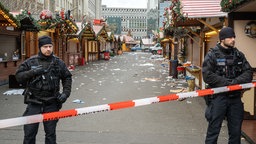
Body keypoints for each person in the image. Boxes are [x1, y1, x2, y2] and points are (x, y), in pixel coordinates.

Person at [15, 35, 72, 144]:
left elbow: (67, 77)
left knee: (50, 135)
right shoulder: (31, 62)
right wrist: (32, 72)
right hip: (34, 103)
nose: (48, 49)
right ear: (40, 47)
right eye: (45, 46)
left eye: (50, 46)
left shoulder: (58, 63)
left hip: (52, 103)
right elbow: (18, 76)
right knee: (29, 134)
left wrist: (65, 93)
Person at [202, 27, 253, 144]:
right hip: (218, 98)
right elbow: (207, 75)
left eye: (234, 37)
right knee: (213, 131)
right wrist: (227, 83)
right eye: (230, 37)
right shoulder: (212, 55)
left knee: (236, 132)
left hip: (235, 98)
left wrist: (234, 83)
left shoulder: (239, 55)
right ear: (222, 39)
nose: (233, 39)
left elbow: (248, 73)